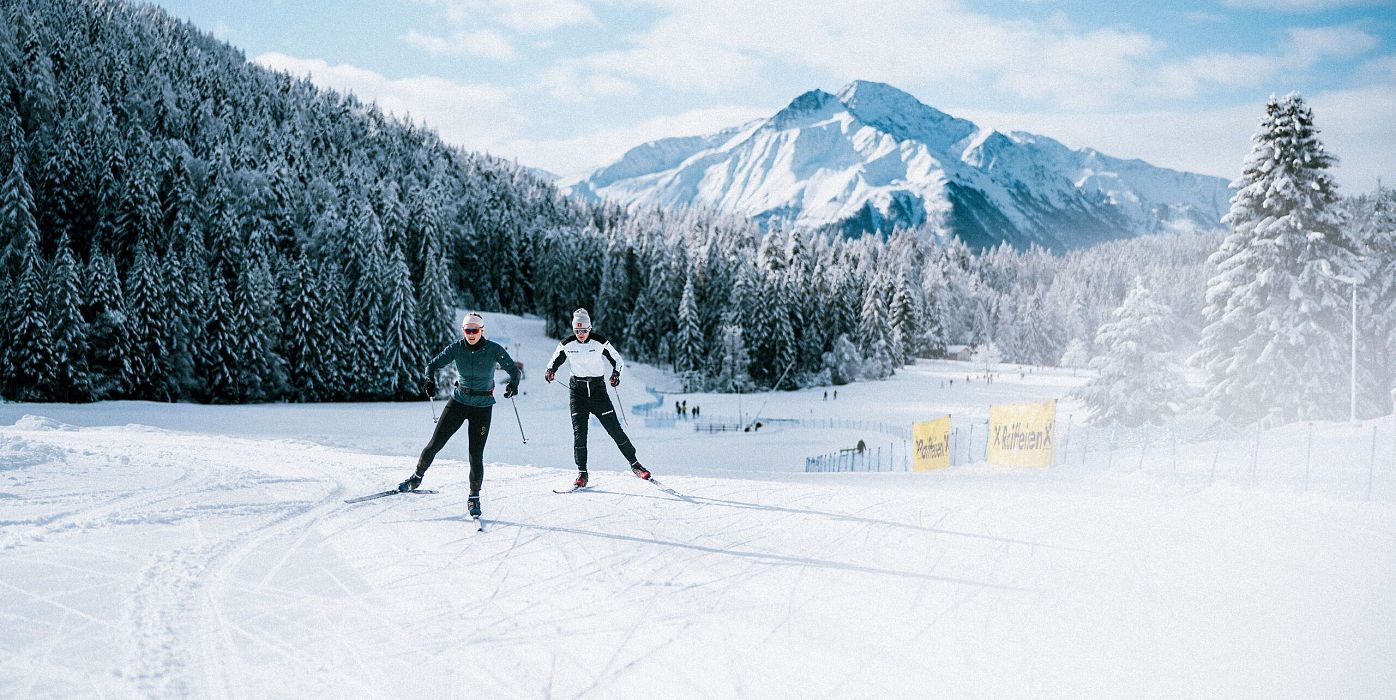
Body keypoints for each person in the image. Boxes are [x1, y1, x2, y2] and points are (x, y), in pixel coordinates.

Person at [399, 312, 520, 518]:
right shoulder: (457, 348)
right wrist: (429, 380)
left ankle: (474, 497)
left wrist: (513, 384)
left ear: (482, 330)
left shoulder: (493, 349)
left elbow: (513, 369)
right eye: (467, 330)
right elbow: (432, 365)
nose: (471, 334)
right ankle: (416, 477)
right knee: (434, 444)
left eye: (474, 330)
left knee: (475, 455)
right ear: (463, 331)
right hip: (459, 402)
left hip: (482, 407)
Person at [544, 308, 649, 487]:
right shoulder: (567, 344)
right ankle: (582, 473)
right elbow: (554, 361)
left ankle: (635, 464)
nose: (580, 334)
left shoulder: (600, 342)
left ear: (590, 328)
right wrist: (550, 371)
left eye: (584, 330)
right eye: (577, 331)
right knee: (579, 435)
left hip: (598, 391)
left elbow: (617, 360)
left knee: (615, 430)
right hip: (577, 393)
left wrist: (616, 373)